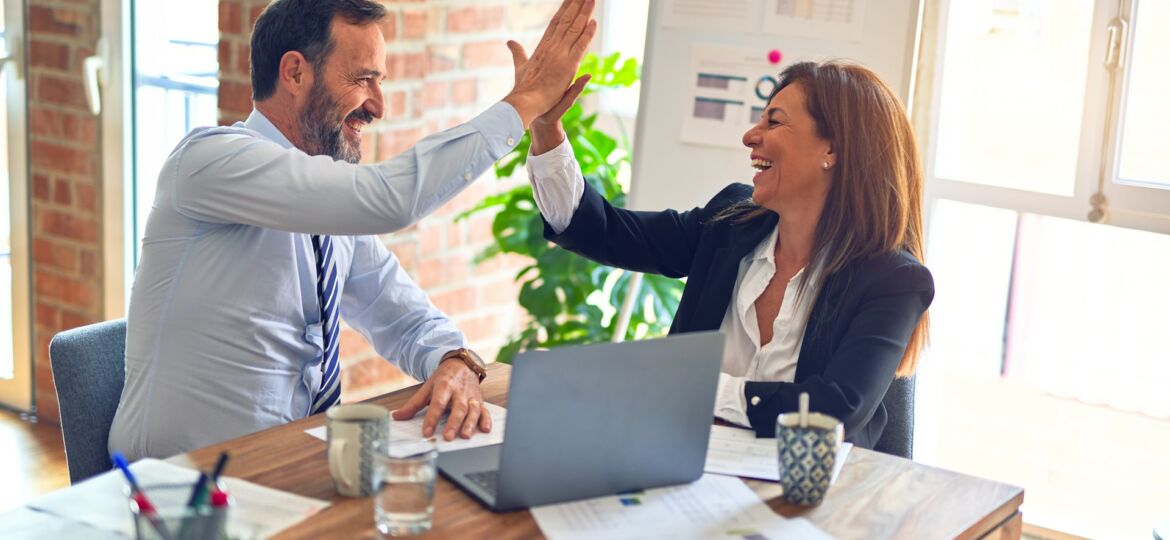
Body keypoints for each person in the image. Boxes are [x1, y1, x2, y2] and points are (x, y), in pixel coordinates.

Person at [109, 0, 598, 460]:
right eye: (363, 80)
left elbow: (406, 319)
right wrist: (526, 101)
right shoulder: (208, 161)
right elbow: (388, 199)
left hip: (288, 470)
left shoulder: (328, 208)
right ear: (296, 72)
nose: (378, 106)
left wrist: (452, 359)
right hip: (179, 488)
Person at [525, 60, 934, 449]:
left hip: (811, 500)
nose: (750, 136)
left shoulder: (893, 280)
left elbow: (832, 412)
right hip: (684, 468)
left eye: (773, 121)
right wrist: (546, 129)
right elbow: (604, 231)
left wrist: (694, 387)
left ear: (833, 149)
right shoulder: (730, 223)